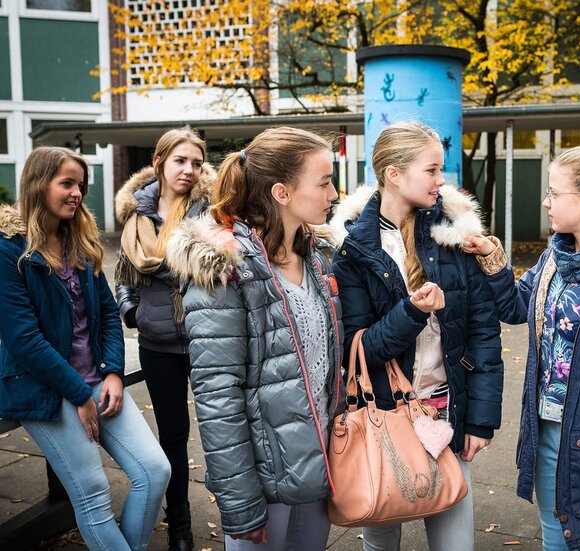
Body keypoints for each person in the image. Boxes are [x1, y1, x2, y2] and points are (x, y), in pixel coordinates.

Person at [464, 145, 580, 550]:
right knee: (556, 539)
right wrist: (493, 260)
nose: (546, 202)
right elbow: (517, 308)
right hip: (547, 430)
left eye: (554, 192)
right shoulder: (556, 255)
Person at [328, 121, 504, 551]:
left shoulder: (453, 238)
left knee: (455, 544)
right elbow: (360, 350)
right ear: (393, 173)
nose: (441, 180)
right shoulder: (353, 251)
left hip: (449, 416)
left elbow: (484, 332)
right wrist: (413, 311)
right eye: (431, 169)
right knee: (381, 540)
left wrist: (480, 419)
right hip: (383, 418)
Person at [165, 127, 343, 550]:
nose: (334, 193)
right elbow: (217, 394)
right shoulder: (226, 267)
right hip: (262, 479)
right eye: (324, 182)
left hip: (315, 464)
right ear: (282, 192)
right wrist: (241, 503)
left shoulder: (316, 258)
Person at [0, 146, 170, 550]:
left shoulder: (79, 242)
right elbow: (23, 340)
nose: (77, 193)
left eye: (80, 185)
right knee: (93, 492)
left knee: (155, 470)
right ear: (38, 185)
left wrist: (112, 371)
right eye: (67, 183)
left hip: (96, 377)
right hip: (45, 386)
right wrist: (79, 395)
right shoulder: (10, 251)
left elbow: (109, 315)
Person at [114, 127, 214, 551]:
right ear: (159, 163)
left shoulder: (211, 211)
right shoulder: (136, 215)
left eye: (195, 162)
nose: (188, 170)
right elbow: (122, 276)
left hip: (208, 338)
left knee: (222, 431)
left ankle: (243, 519)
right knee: (172, 436)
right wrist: (132, 312)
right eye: (179, 161)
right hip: (158, 343)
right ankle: (180, 527)